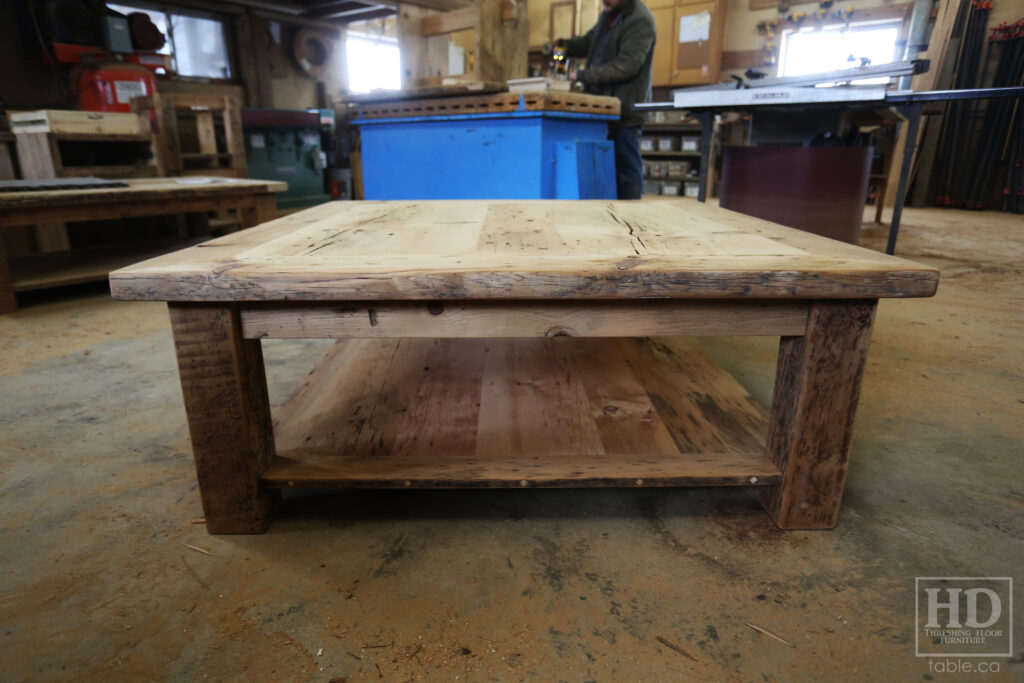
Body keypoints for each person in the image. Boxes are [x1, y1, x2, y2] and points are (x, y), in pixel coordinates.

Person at [559, 0, 656, 199]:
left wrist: (583, 75)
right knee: (605, 170)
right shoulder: (610, 15)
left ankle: (630, 223)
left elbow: (626, 66)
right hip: (603, 109)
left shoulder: (640, 19)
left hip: (625, 111)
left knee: (626, 170)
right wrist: (566, 46)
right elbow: (590, 41)